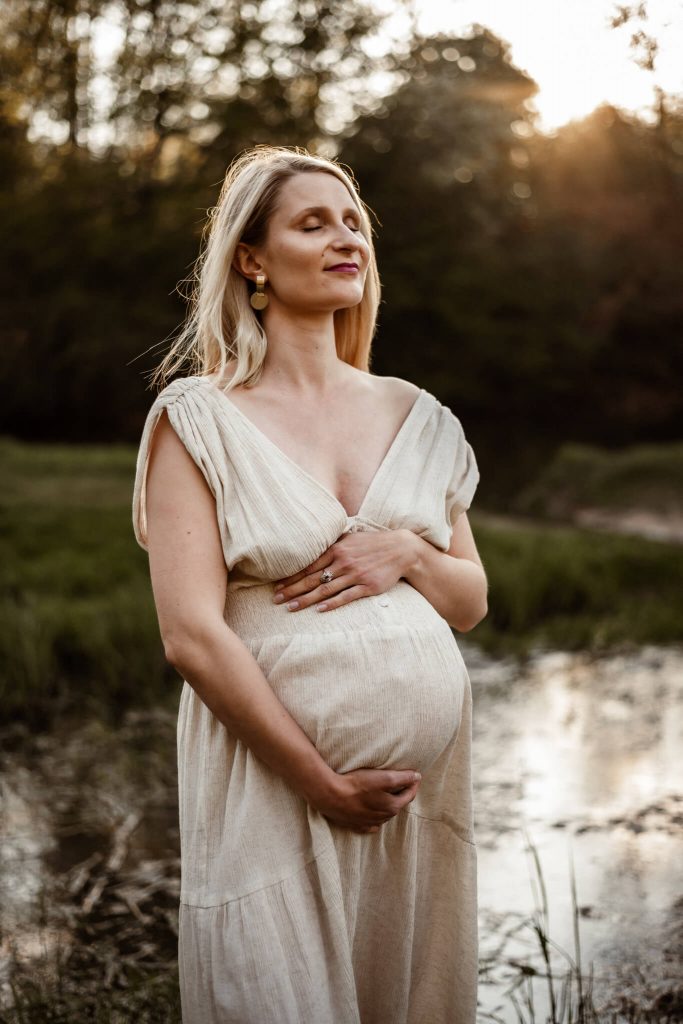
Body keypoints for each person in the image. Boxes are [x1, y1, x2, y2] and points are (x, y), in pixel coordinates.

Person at [132, 145, 488, 1024]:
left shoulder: (417, 412)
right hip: (271, 786)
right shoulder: (198, 419)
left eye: (353, 222)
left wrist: (407, 555)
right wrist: (319, 781)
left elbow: (470, 601)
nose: (345, 239)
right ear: (251, 259)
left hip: (415, 807)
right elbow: (191, 635)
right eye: (312, 222)